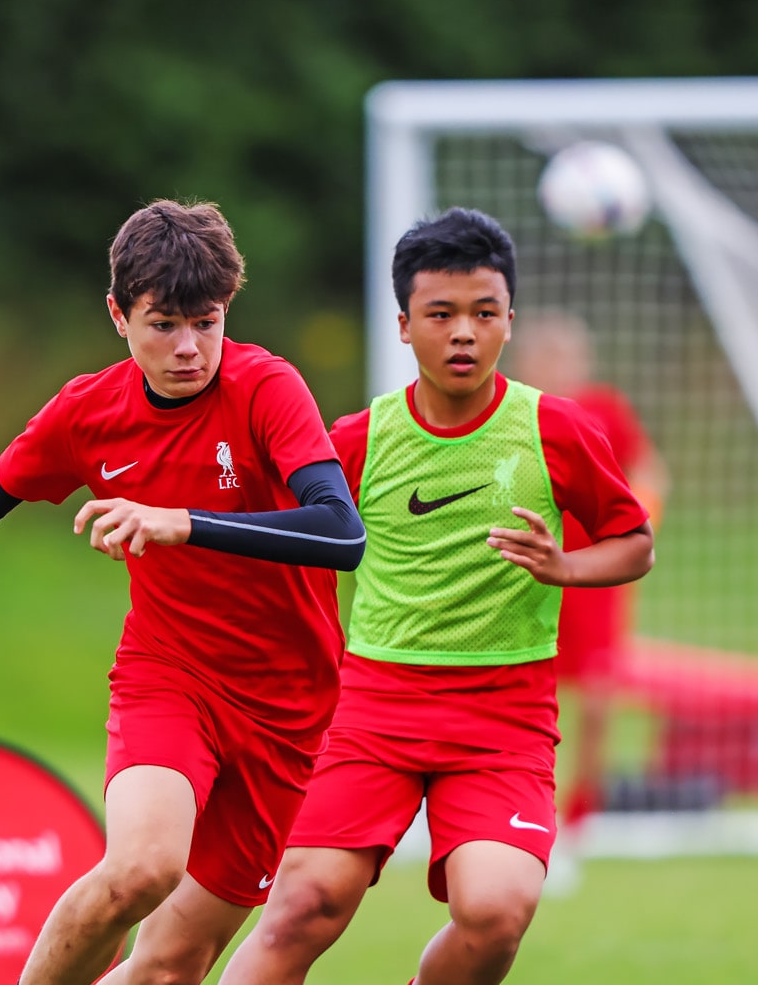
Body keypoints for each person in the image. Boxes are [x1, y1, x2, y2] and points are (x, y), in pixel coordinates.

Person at [0, 200, 366, 985]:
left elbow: (340, 531)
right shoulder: (88, 413)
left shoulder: (268, 388)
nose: (189, 348)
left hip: (289, 708)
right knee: (141, 870)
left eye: (207, 322)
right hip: (173, 677)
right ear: (117, 316)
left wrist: (183, 523)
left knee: (167, 969)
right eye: (163, 324)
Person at [219, 208, 654, 985]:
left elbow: (634, 540)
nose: (463, 333)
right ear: (403, 325)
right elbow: (285, 536)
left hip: (503, 709)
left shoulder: (555, 430)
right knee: (304, 903)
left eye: (484, 313)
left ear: (509, 322)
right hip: (373, 705)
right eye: (441, 314)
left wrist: (566, 568)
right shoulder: (358, 438)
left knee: (494, 911)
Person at [510, 313, 668, 852]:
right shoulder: (512, 410)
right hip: (531, 576)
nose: (556, 365)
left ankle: (582, 813)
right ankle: (524, 808)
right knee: (524, 697)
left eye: (566, 355)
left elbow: (649, 471)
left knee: (601, 696)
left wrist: (638, 523)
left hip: (595, 577)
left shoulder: (604, 410)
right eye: (545, 355)